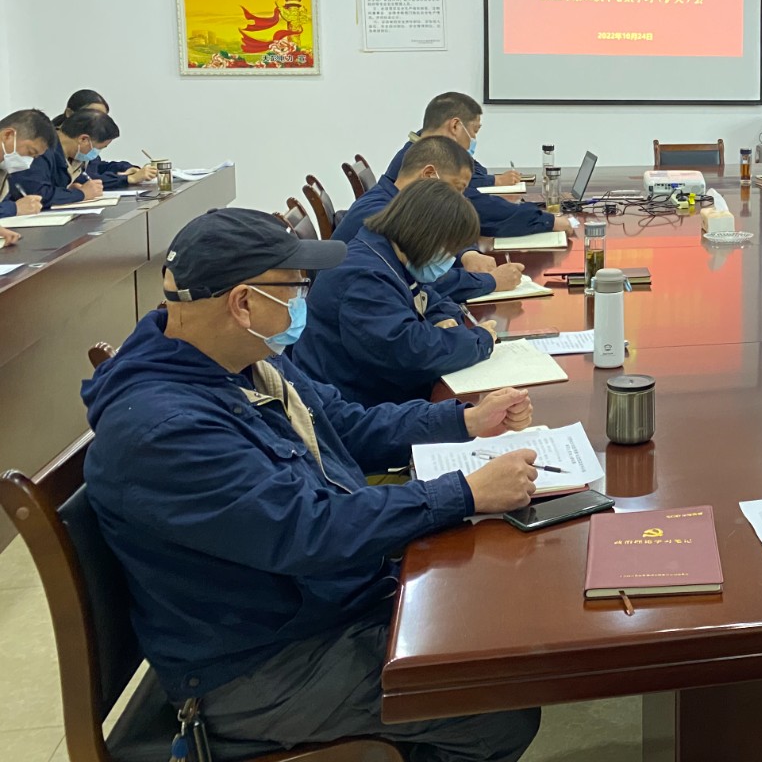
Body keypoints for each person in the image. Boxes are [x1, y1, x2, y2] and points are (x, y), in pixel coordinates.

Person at [81, 207, 542, 762]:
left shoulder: (244, 362)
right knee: (498, 707)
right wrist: (464, 492)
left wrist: (464, 420)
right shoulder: (166, 431)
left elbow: (346, 424)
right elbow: (308, 530)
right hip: (260, 664)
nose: (305, 300)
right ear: (244, 303)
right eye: (295, 287)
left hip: (317, 602)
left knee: (488, 612)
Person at [295, 179, 497, 406]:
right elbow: (410, 352)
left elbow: (428, 295)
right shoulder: (365, 279)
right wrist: (480, 340)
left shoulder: (386, 253)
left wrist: (441, 317)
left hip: (372, 389)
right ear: (425, 236)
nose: (450, 260)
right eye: (449, 251)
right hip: (353, 407)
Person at [334, 136, 524, 302]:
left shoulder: (398, 203)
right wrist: (491, 281)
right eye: (457, 188)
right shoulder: (382, 212)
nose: (459, 198)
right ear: (429, 175)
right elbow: (426, 283)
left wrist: (467, 254)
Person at [382, 92, 555, 238]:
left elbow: (476, 172)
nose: (474, 138)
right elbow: (470, 207)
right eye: (474, 130)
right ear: (455, 126)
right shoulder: (424, 160)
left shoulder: (429, 149)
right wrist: (546, 220)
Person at [12, 108, 119, 208]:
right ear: (83, 139)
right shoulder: (42, 150)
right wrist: (81, 194)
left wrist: (68, 191)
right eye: (99, 148)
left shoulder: (69, 155)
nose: (96, 153)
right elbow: (38, 194)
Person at [53, 88, 157, 187]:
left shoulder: (85, 145)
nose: (99, 121)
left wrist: (126, 168)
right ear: (70, 114)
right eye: (91, 113)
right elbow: (84, 179)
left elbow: (95, 168)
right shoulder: (52, 145)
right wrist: (128, 179)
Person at [1, 108, 53, 220]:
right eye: (30, 152)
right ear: (7, 135)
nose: (29, 162)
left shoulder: (3, 168)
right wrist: (15, 208)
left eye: (34, 157)